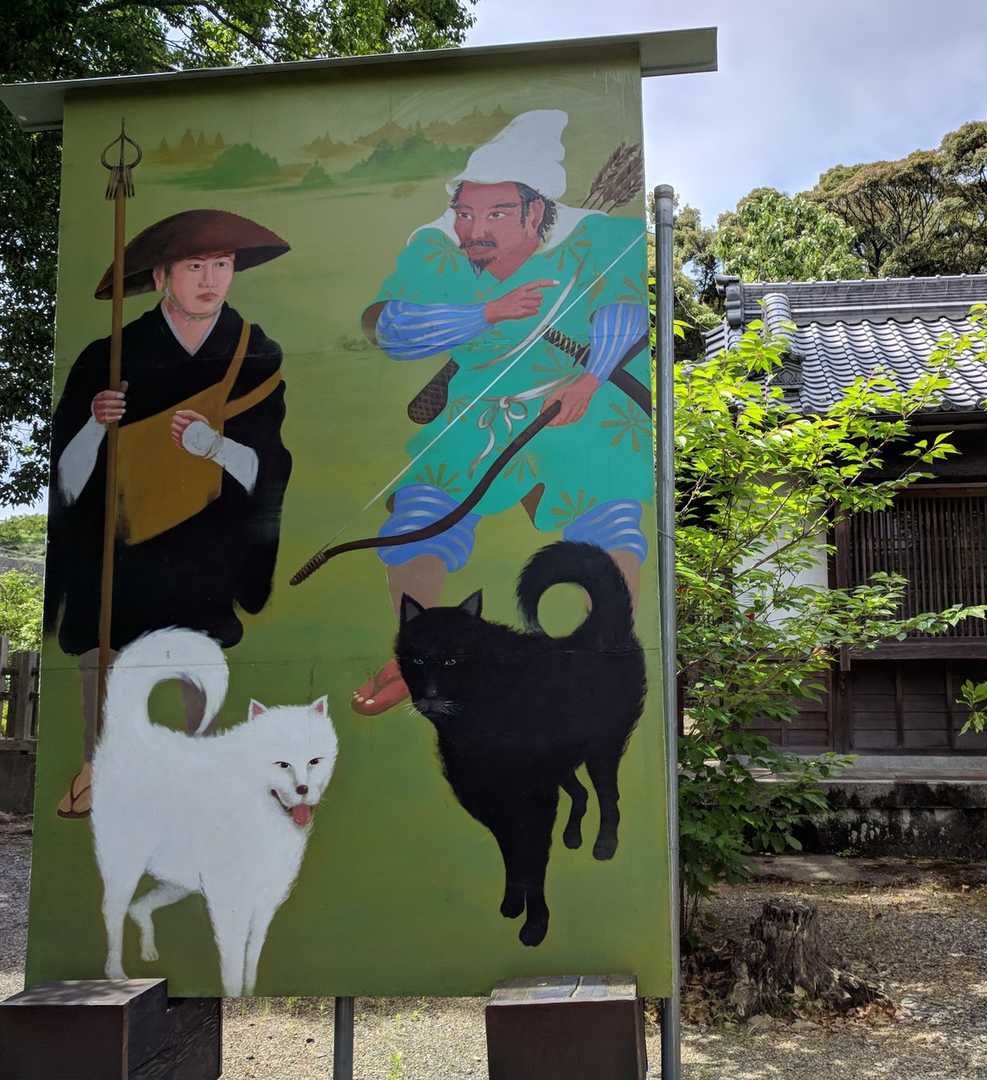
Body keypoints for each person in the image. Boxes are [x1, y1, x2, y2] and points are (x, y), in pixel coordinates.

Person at [352, 110, 650, 714]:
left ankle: (604, 653)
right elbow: (393, 328)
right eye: (466, 212)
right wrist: (486, 313)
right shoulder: (438, 247)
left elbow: (623, 313)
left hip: (575, 398)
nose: (474, 229)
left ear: (535, 213)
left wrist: (589, 380)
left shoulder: (596, 239)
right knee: (424, 508)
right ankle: (418, 656)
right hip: (477, 405)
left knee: (609, 502)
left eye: (495, 215)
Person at [46, 209, 293, 817]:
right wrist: (96, 427)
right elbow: (68, 482)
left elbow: (266, 469)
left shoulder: (253, 354)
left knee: (197, 645)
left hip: (203, 533)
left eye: (222, 265)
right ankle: (98, 762)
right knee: (101, 641)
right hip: (119, 533)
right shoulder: (107, 357)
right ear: (161, 277)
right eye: (194, 266)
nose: (210, 280)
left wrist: (215, 447)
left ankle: (199, 765)